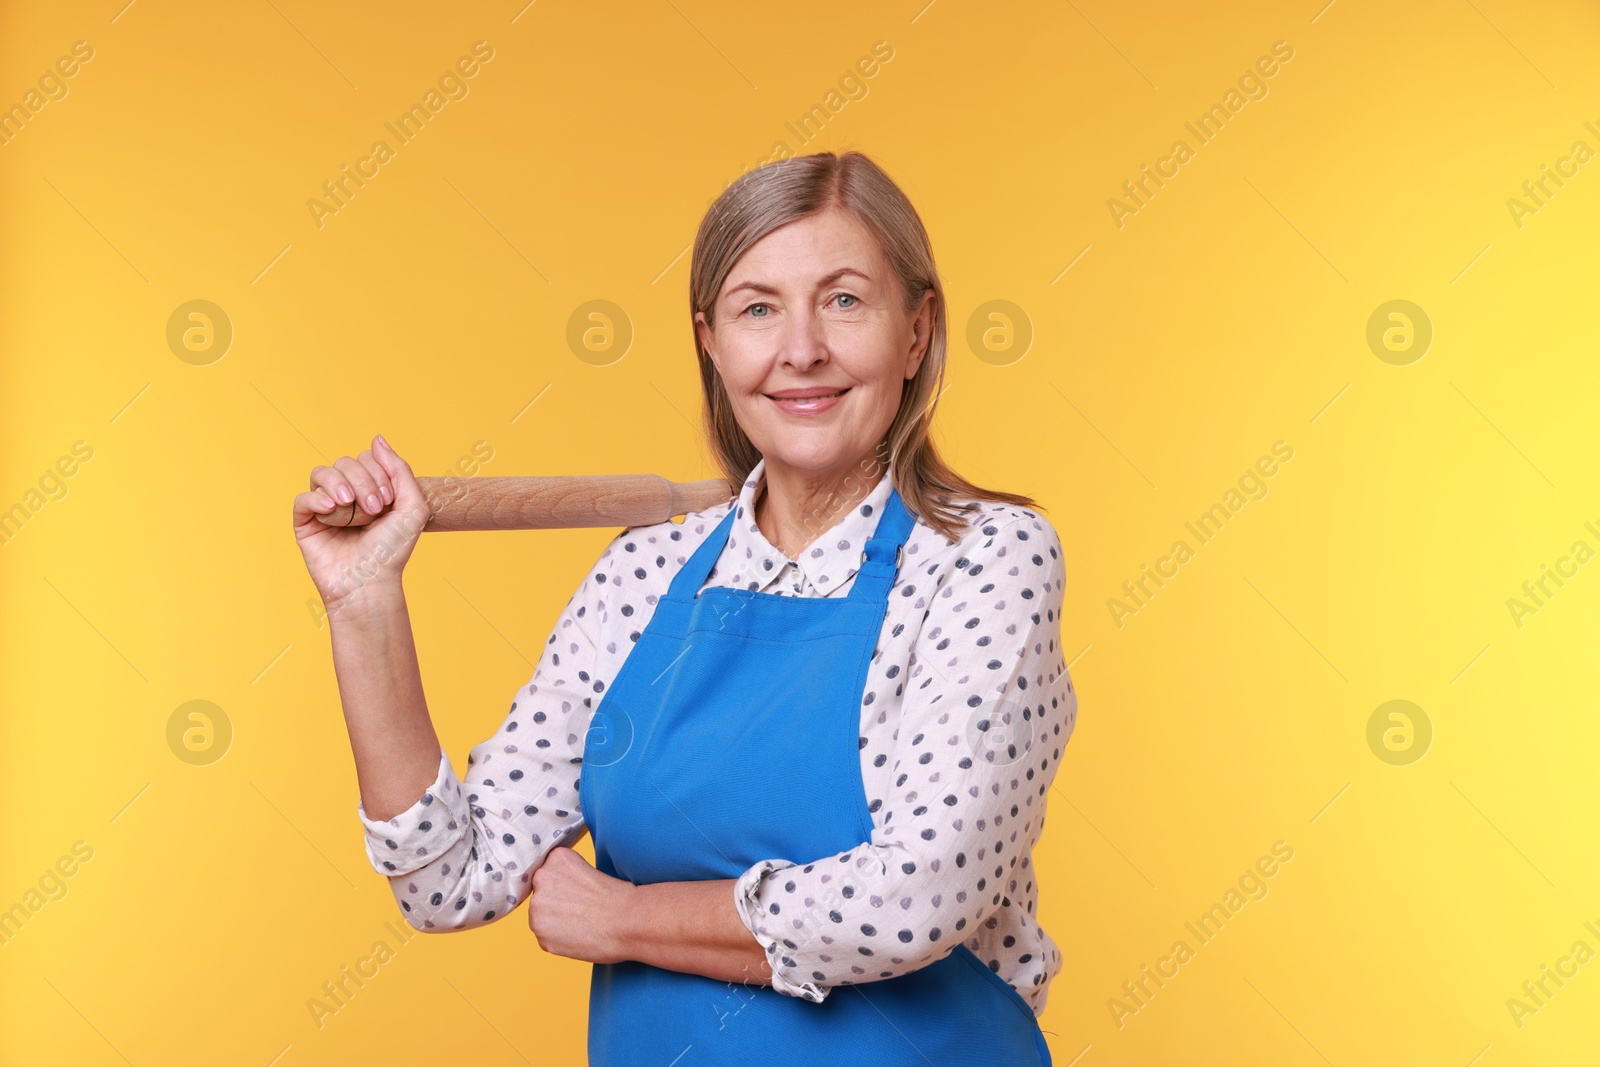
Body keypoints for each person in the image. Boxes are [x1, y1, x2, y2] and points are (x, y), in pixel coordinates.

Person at [292, 150, 1078, 1065]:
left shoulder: (986, 557)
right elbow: (451, 880)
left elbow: (914, 901)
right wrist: (364, 601)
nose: (801, 349)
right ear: (711, 342)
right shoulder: (644, 571)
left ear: (917, 330)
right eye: (757, 308)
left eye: (845, 300)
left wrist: (625, 917)